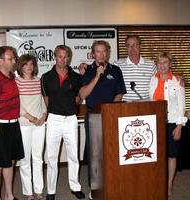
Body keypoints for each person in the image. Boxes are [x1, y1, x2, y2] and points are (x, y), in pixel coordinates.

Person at [79, 40, 126, 199]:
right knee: (94, 153)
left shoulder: (116, 70)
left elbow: (119, 94)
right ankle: (94, 187)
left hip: (112, 117)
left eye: (104, 51)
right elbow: (83, 94)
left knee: (113, 151)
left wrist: (111, 112)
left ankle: (112, 182)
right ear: (93, 54)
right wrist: (97, 76)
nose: (102, 54)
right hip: (93, 117)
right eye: (98, 52)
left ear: (108, 52)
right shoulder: (87, 70)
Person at [41, 45, 85, 200]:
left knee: (73, 155)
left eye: (66, 56)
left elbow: (79, 97)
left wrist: (72, 105)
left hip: (71, 120)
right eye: (60, 56)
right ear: (55, 56)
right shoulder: (45, 77)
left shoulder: (76, 77)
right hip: (53, 120)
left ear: (69, 58)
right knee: (51, 157)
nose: (63, 59)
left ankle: (75, 186)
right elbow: (46, 100)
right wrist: (57, 109)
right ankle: (51, 191)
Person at [0, 46, 24, 200]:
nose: (14, 61)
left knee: (10, 162)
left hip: (13, 125)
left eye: (14, 58)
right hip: (0, 126)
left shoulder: (11, 77)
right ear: (0, 61)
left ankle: (9, 195)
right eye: (10, 58)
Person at [149, 52, 187, 196]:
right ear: (156, 65)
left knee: (171, 155)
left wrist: (179, 126)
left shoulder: (177, 81)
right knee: (157, 155)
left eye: (165, 62)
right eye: (159, 63)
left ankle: (169, 183)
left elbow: (182, 105)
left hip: (172, 123)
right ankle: (159, 180)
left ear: (169, 63)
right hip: (156, 123)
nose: (162, 66)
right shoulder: (153, 79)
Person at [15, 54, 47, 200]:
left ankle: (39, 191)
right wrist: (31, 118)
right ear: (20, 66)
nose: (29, 67)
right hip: (24, 124)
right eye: (25, 64)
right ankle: (28, 192)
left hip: (40, 124)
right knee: (25, 159)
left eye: (31, 64)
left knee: (38, 158)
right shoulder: (17, 82)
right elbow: (18, 105)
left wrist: (44, 115)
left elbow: (41, 100)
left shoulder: (38, 80)